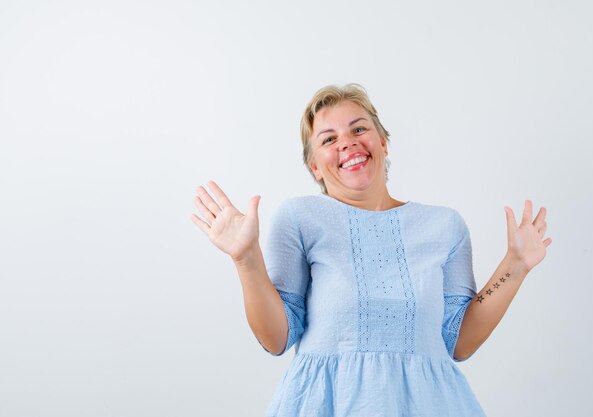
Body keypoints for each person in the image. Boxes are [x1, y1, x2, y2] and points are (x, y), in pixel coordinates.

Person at [191, 84, 552, 416]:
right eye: (329, 138)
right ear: (315, 166)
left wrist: (516, 265)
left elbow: (459, 342)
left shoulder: (445, 226)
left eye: (359, 129)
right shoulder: (299, 217)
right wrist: (246, 258)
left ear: (383, 142)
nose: (347, 143)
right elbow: (276, 338)